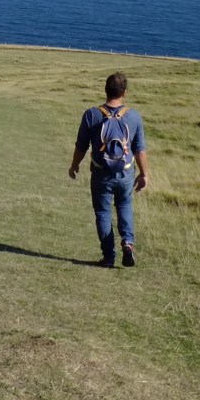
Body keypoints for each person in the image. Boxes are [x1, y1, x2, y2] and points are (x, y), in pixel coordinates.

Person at [68, 72, 148, 267]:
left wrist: (74, 165)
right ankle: (128, 243)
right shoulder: (134, 116)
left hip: (100, 173)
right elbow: (140, 149)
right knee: (124, 206)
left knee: (103, 213)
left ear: (105, 90)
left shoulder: (92, 115)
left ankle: (108, 256)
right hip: (126, 173)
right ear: (124, 93)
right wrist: (144, 174)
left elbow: (81, 146)